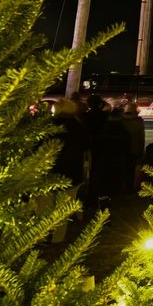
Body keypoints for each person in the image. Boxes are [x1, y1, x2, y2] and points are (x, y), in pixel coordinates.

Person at [50, 97, 89, 241]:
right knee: (64, 206)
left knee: (45, 206)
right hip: (71, 172)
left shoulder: (50, 126)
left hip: (49, 170)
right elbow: (86, 148)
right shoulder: (78, 127)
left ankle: (39, 236)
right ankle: (57, 238)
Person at [121, 101, 146, 193]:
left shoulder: (121, 121)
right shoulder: (139, 121)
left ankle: (122, 188)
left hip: (123, 150)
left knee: (123, 169)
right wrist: (141, 151)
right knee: (131, 171)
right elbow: (141, 138)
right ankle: (129, 189)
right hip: (134, 150)